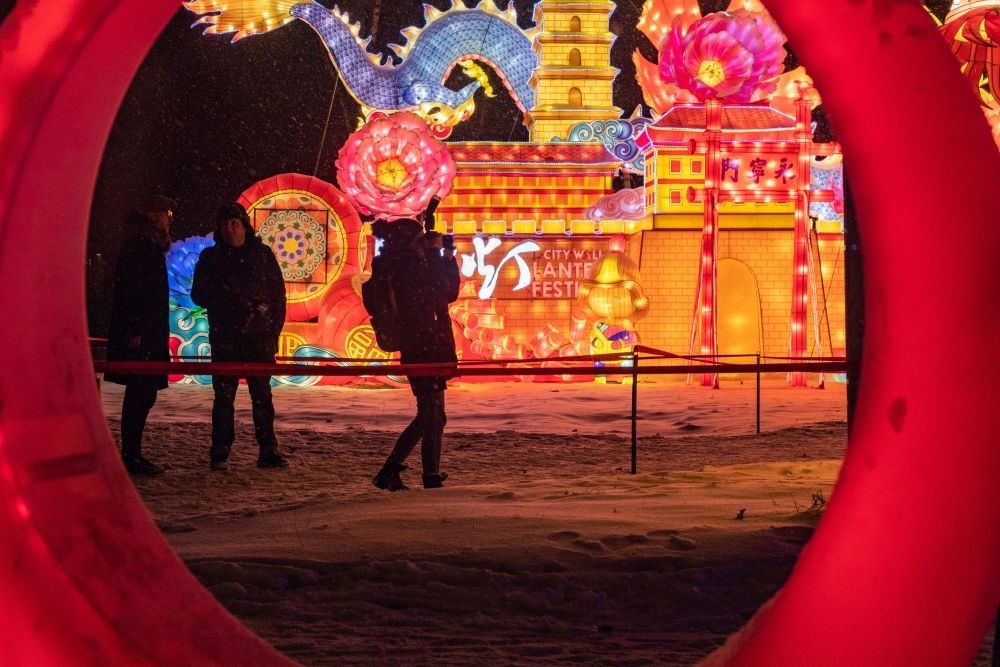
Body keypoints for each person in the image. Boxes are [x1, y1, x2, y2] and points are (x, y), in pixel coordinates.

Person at [191, 202, 288, 470]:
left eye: (234, 223)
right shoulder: (211, 258)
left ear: (244, 225)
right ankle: (220, 451)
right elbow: (198, 295)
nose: (229, 229)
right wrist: (227, 299)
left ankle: (268, 449)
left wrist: (273, 330)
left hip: (258, 337)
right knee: (224, 399)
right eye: (224, 224)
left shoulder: (262, 255)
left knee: (262, 397)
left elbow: (278, 297)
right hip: (225, 338)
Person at [370, 216, 460, 490]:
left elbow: (449, 292)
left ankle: (401, 471)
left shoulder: (417, 265)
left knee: (434, 415)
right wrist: (435, 254)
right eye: (420, 239)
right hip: (421, 348)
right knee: (431, 414)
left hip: (431, 347)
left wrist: (447, 258)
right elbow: (438, 289)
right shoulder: (404, 269)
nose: (425, 243)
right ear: (407, 243)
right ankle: (417, 474)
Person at [105, 195, 175, 476]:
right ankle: (131, 454)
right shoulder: (141, 247)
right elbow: (133, 290)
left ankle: (132, 452)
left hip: (147, 330)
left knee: (142, 392)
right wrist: (136, 328)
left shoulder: (144, 245)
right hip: (143, 333)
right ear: (152, 215)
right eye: (166, 212)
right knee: (140, 391)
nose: (169, 218)